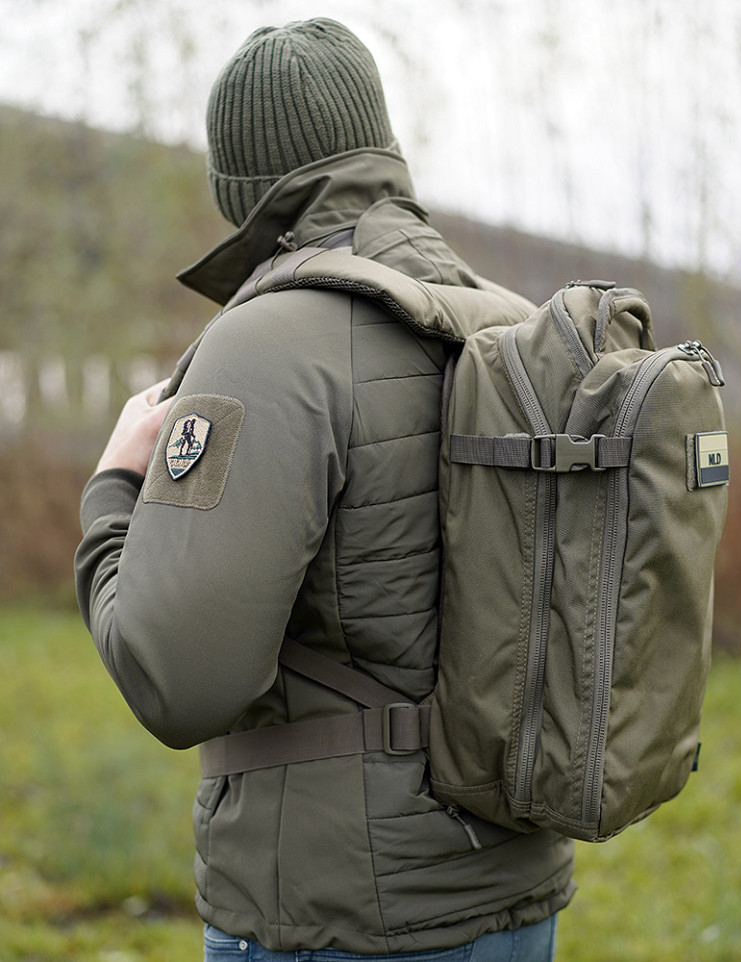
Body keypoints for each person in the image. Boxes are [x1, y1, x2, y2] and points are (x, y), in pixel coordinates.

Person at [75, 19, 575, 961]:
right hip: (516, 894)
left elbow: (175, 681)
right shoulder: (513, 324)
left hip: (336, 913)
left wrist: (112, 490)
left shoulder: (266, 342)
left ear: (237, 186)